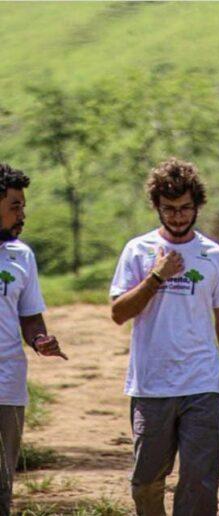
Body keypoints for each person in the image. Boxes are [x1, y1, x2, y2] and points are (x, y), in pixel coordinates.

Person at [110, 157, 219, 516]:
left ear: (197, 205)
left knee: (200, 482)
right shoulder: (138, 251)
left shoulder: (214, 255)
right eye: (169, 209)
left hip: (201, 384)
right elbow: (118, 313)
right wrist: (156, 276)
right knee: (146, 481)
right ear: (157, 206)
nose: (179, 217)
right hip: (151, 385)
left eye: (185, 208)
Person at [0, 163, 67, 516]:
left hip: (7, 384)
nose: (22, 215)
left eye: (23, 207)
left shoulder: (21, 256)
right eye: (15, 207)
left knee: (1, 484)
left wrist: (40, 339)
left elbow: (29, 316)